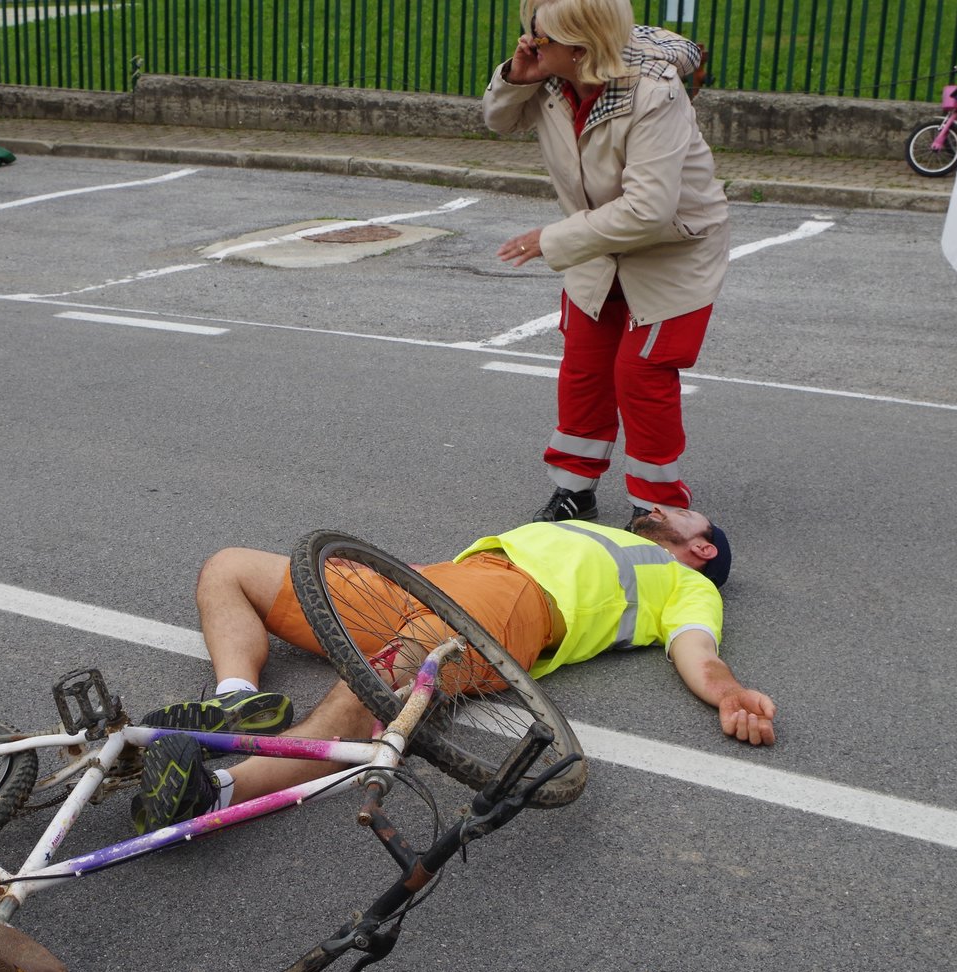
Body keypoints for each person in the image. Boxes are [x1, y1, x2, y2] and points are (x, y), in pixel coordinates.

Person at [132, 507, 774, 833]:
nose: (665, 504)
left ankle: (216, 792)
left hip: (517, 605)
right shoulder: (601, 528)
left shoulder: (691, 586)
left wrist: (729, 693)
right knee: (230, 567)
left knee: (382, 677)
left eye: (685, 511)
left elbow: (700, 651)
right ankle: (237, 697)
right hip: (427, 580)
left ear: (703, 547)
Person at [483, 0, 730, 526]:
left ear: (580, 47)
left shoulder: (653, 93)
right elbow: (498, 120)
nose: (529, 40)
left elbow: (648, 208)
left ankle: (657, 508)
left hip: (671, 250)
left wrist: (551, 240)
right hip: (597, 243)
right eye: (529, 29)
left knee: (640, 374)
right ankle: (574, 492)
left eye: (539, 36)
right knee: (585, 369)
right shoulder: (552, 78)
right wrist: (515, 76)